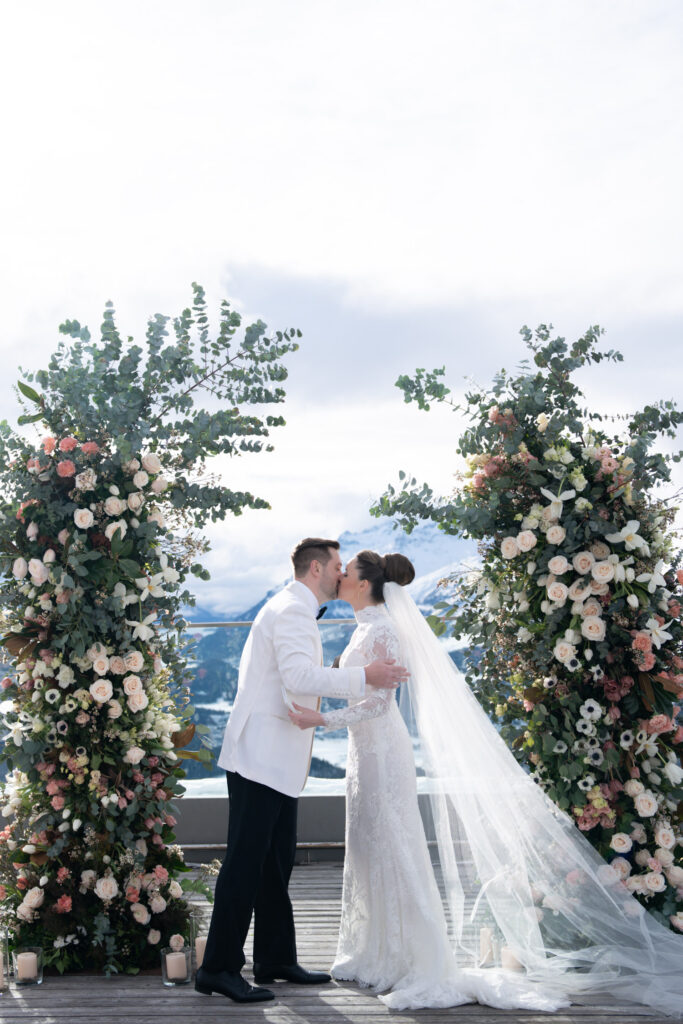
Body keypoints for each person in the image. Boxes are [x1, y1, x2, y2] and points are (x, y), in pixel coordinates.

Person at [289, 550, 683, 1017]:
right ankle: (377, 948)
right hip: (363, 753)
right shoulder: (364, 628)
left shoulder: (384, 631)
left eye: (346, 572)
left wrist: (322, 719)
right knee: (371, 844)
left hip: (382, 751)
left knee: (393, 843)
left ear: (364, 584)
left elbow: (378, 705)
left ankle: (409, 954)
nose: (339, 577)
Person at [195, 538, 409, 1004]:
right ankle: (218, 968)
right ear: (316, 568)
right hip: (261, 757)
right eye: (336, 565)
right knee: (244, 865)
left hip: (277, 759)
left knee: (275, 862)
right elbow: (297, 678)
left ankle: (275, 958)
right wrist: (362, 677)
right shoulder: (292, 610)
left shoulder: (294, 607)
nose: (340, 573)